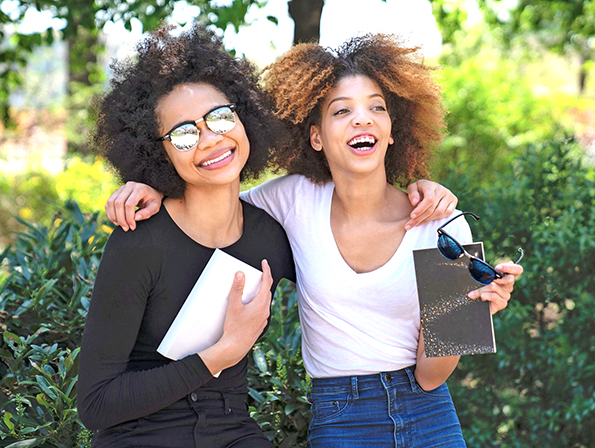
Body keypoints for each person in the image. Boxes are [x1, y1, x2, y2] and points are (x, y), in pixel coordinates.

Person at [104, 34, 523, 447]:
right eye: (342, 111)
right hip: (341, 418)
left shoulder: (444, 224)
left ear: (392, 130)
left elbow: (432, 375)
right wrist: (154, 186)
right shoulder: (292, 200)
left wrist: (471, 309)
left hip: (430, 414)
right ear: (316, 137)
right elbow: (212, 197)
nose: (363, 119)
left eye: (377, 108)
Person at [77, 24, 297, 448]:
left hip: (234, 433)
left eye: (219, 117)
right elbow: (95, 405)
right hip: (143, 437)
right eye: (184, 133)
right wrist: (219, 355)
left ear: (244, 116)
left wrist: (420, 195)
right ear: (157, 152)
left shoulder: (271, 236)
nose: (211, 139)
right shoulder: (139, 241)